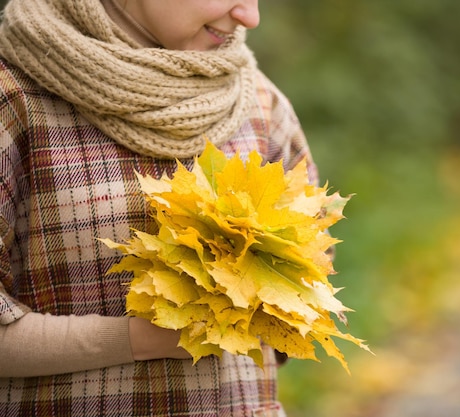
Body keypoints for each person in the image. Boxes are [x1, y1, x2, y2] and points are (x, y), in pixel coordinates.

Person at [0, 0, 318, 415]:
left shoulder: (259, 103)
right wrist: (139, 339)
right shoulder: (15, 101)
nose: (250, 16)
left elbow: (306, 282)